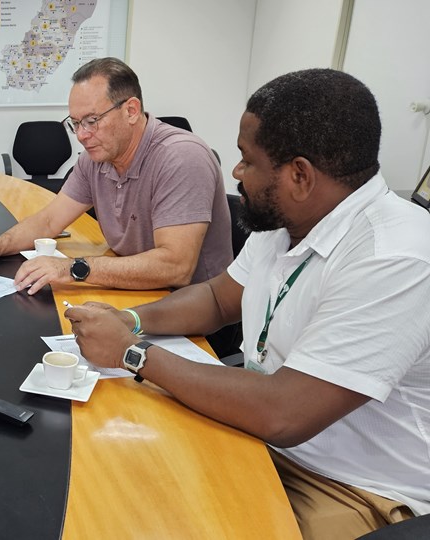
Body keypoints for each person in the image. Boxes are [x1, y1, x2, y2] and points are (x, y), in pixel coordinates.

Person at [66, 69, 429, 538]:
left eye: (246, 160)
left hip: (352, 487)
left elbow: (285, 413)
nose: (235, 173)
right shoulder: (290, 219)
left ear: (299, 175)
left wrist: (130, 352)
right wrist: (129, 318)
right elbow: (219, 298)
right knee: (120, 480)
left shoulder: (395, 257)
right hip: (262, 437)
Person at [0, 57, 232, 295]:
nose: (82, 135)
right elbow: (49, 221)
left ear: (131, 111)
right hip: (138, 292)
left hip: (194, 314)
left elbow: (176, 267)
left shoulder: (181, 157)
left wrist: (74, 268)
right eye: (75, 124)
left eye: (92, 121)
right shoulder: (96, 159)